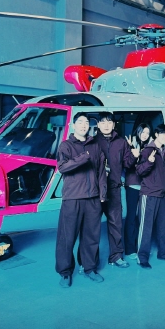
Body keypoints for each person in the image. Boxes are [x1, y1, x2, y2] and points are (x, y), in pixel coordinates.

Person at [55, 113, 107, 288]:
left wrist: (102, 193)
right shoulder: (66, 145)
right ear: (73, 125)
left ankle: (89, 268)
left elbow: (101, 171)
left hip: (93, 198)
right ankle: (65, 272)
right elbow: (63, 167)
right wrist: (83, 157)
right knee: (67, 237)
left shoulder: (95, 146)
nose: (84, 125)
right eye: (80, 122)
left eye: (86, 122)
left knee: (91, 237)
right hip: (73, 198)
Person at [95, 112, 137, 269]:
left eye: (109, 122)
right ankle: (88, 262)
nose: (106, 125)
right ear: (98, 125)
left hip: (114, 189)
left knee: (116, 224)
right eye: (103, 122)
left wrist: (134, 156)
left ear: (113, 125)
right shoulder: (92, 142)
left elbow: (127, 164)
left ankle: (116, 256)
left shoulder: (121, 142)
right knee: (91, 227)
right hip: (95, 191)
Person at [136, 124, 165, 268]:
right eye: (163, 134)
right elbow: (139, 171)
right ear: (157, 134)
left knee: (163, 226)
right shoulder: (147, 151)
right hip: (149, 194)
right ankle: (142, 257)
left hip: (163, 195)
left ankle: (163, 252)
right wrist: (149, 162)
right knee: (146, 228)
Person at [123, 123, 152, 260]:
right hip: (133, 185)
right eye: (143, 132)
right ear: (138, 132)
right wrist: (133, 153)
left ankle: (141, 247)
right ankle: (130, 249)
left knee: (143, 217)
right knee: (131, 216)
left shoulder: (150, 147)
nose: (145, 135)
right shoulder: (130, 145)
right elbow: (127, 165)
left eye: (147, 133)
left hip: (146, 186)